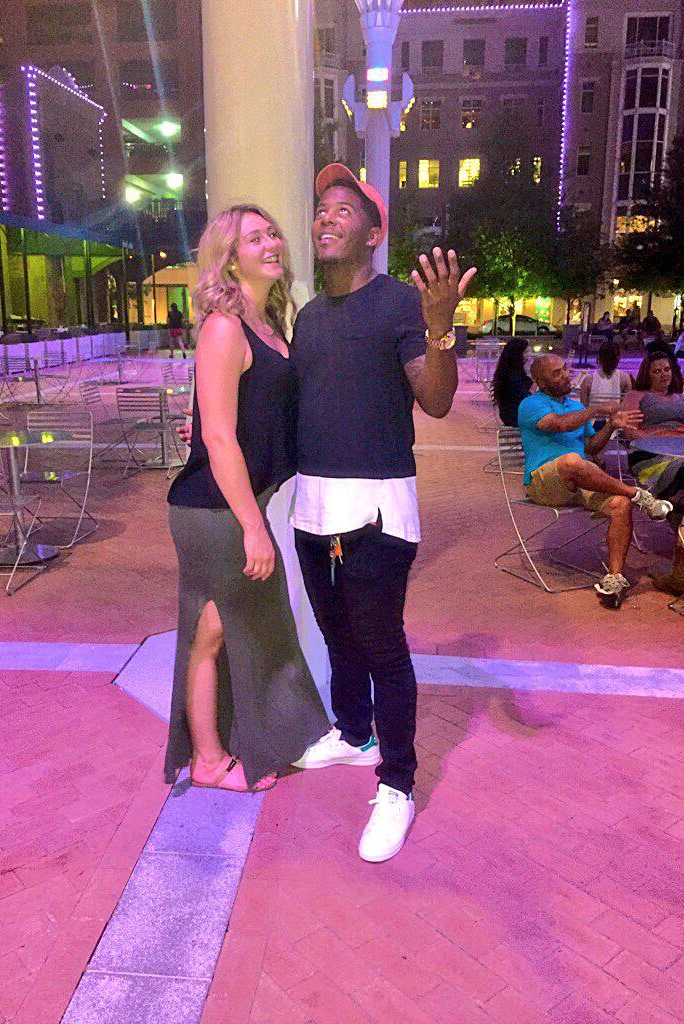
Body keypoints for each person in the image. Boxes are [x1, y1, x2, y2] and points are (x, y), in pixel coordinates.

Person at [289, 164, 476, 863]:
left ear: (373, 234)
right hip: (313, 506)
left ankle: (397, 781)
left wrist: (439, 330)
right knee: (337, 636)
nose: (326, 218)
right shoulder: (309, 317)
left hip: (376, 511)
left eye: (343, 210)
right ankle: (354, 732)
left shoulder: (400, 303)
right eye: (322, 209)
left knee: (381, 647)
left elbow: (436, 401)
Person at [164, 205, 330, 793]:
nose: (271, 243)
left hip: (239, 503)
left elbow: (237, 414)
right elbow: (218, 437)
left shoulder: (268, 326)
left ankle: (241, 741)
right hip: (216, 512)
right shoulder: (224, 327)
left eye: (272, 233)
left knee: (242, 629)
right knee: (211, 632)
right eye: (254, 238)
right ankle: (207, 760)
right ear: (230, 259)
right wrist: (253, 528)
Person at [518, 355, 673, 607]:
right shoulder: (530, 404)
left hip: (580, 481)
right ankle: (639, 495)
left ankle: (615, 578)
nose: (565, 375)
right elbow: (559, 425)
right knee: (571, 461)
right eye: (556, 373)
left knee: (620, 503)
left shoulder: (575, 406)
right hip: (543, 483)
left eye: (564, 369)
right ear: (540, 382)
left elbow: (591, 447)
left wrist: (610, 426)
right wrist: (596, 409)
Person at [620, 351, 684, 596]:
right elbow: (629, 431)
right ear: (647, 374)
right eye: (656, 371)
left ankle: (680, 568)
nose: (663, 375)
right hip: (648, 456)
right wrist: (659, 434)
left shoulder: (680, 397)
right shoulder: (637, 396)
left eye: (667, 369)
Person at [578, 339, 633, 417]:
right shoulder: (625, 378)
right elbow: (626, 409)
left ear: (599, 359)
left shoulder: (588, 380)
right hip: (614, 421)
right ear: (618, 360)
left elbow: (583, 410)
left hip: (598, 421)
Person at [491, 337, 532, 428]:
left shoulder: (511, 370)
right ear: (517, 354)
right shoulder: (512, 375)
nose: (529, 355)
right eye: (525, 352)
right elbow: (524, 397)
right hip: (514, 416)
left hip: (511, 414)